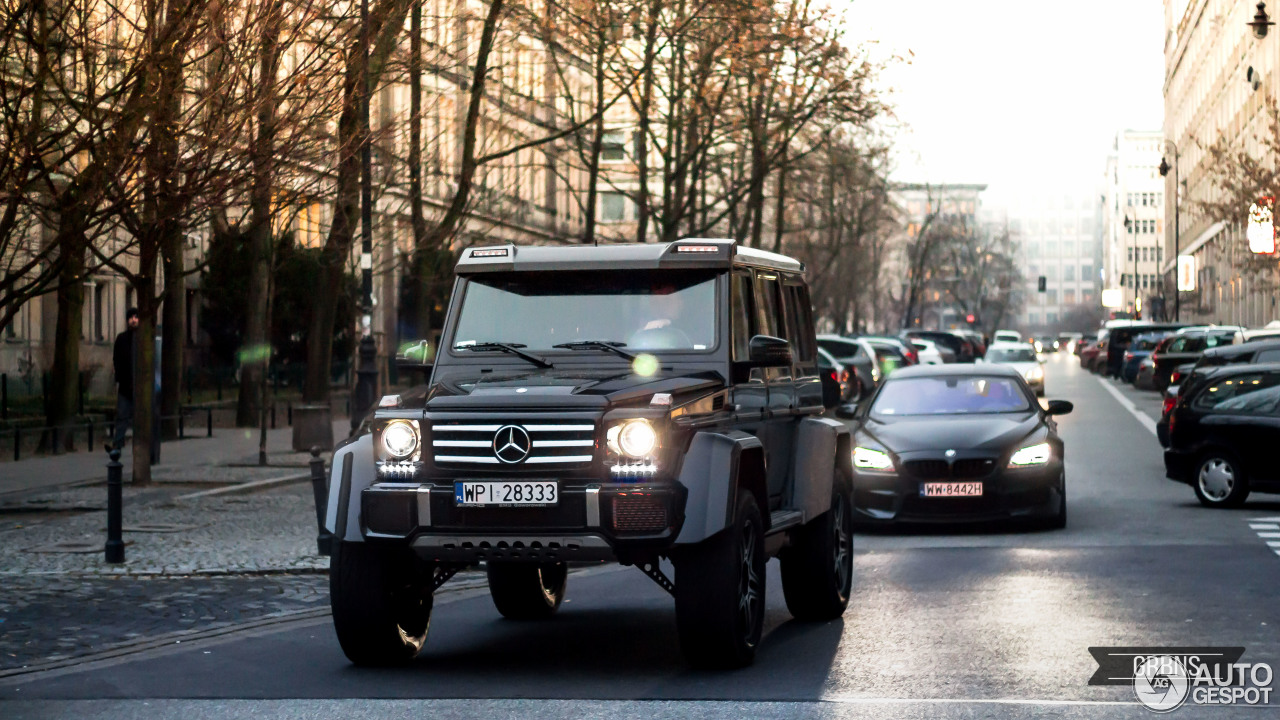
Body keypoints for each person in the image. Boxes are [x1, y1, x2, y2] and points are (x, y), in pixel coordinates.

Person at [108, 308, 139, 452]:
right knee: (122, 416)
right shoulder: (121, 339)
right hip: (125, 386)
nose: (133, 320)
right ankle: (118, 443)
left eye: (136, 317)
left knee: (139, 418)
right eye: (131, 317)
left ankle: (140, 444)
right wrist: (119, 377)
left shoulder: (142, 339)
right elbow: (117, 359)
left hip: (139, 385)